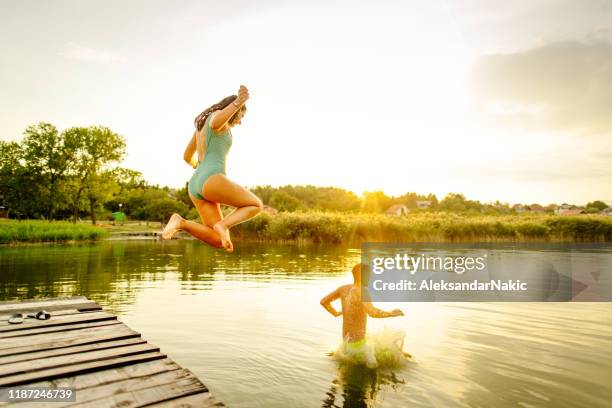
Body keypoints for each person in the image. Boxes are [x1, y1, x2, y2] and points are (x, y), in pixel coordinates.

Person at [162, 85, 263, 252]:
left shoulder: (200, 127)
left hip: (195, 183)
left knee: (218, 241)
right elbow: (216, 123)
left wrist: (199, 167)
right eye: (241, 116)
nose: (240, 121)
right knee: (255, 205)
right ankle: (222, 225)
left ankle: (181, 222)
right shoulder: (218, 121)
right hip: (211, 177)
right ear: (234, 110)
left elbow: (187, 156)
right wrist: (239, 102)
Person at [320, 264, 404, 368]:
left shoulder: (343, 289)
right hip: (358, 346)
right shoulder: (362, 291)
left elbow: (324, 302)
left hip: (346, 344)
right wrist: (391, 313)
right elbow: (373, 313)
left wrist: (336, 313)